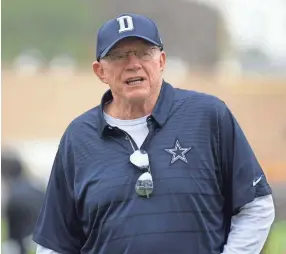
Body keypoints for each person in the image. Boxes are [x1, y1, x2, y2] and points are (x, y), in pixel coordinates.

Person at [33, 13, 275, 254]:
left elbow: (256, 205)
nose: (133, 64)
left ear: (161, 61)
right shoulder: (78, 137)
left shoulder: (208, 116)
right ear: (100, 71)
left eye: (143, 52)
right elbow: (54, 243)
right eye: (118, 56)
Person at [2, 149, 45, 254]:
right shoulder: (38, 189)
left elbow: (12, 236)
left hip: (27, 244)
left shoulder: (13, 196)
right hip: (44, 243)